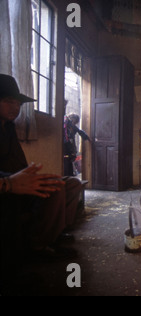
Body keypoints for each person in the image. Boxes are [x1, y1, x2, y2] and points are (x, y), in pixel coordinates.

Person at [0, 74, 82, 283]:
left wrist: (32, 176)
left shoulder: (8, 128)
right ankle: (37, 247)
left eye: (18, 103)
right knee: (54, 189)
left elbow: (18, 165)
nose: (15, 107)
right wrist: (9, 182)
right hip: (7, 187)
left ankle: (52, 236)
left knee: (72, 184)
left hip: (17, 182)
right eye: (9, 101)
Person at [63, 112, 91, 177]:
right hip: (65, 145)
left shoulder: (73, 127)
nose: (74, 123)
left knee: (70, 158)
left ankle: (70, 174)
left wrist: (88, 138)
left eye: (75, 122)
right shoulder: (65, 125)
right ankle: (67, 174)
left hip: (70, 145)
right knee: (66, 159)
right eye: (73, 121)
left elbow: (80, 132)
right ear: (71, 119)